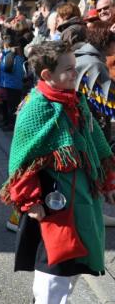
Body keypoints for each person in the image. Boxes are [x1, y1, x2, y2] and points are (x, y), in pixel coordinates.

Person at [0, 41, 115, 304]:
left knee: (76, 264)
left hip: (84, 198)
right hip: (54, 204)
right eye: (69, 69)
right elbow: (22, 161)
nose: (76, 73)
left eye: (74, 66)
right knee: (54, 270)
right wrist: (29, 200)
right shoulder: (36, 106)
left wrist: (108, 181)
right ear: (47, 75)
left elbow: (96, 144)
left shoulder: (76, 101)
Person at [74, 21, 115, 227]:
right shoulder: (94, 63)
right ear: (106, 42)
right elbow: (109, 100)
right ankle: (93, 213)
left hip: (82, 121)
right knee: (93, 166)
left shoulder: (82, 56)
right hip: (89, 123)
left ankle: (94, 211)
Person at [0, 29, 25, 131]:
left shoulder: (10, 55)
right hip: (12, 84)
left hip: (11, 85)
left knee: (11, 107)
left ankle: (11, 125)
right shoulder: (16, 54)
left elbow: (6, 68)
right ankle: (7, 122)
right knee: (8, 105)